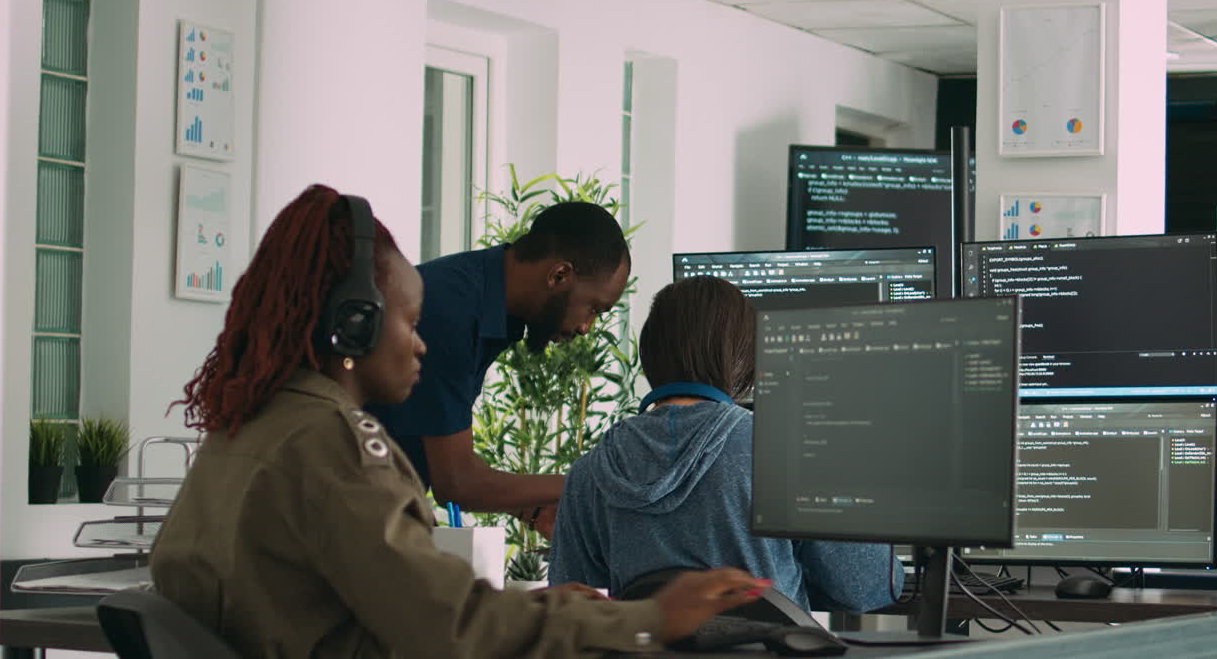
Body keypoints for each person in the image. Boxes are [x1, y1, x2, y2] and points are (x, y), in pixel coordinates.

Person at [151, 185, 769, 657]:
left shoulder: (246, 426)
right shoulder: (331, 443)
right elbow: (451, 625)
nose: (421, 345)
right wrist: (648, 618)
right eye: (408, 323)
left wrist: (538, 607)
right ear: (357, 324)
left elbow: (403, 604)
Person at [548, 276, 902, 613]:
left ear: (649, 353)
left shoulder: (589, 472)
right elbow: (866, 587)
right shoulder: (783, 447)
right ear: (744, 355)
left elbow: (572, 608)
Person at [367, 201, 631, 534]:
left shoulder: (489, 305)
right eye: (594, 308)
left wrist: (529, 510)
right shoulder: (452, 311)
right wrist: (589, 481)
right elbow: (457, 483)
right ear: (559, 274)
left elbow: (432, 450)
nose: (586, 327)